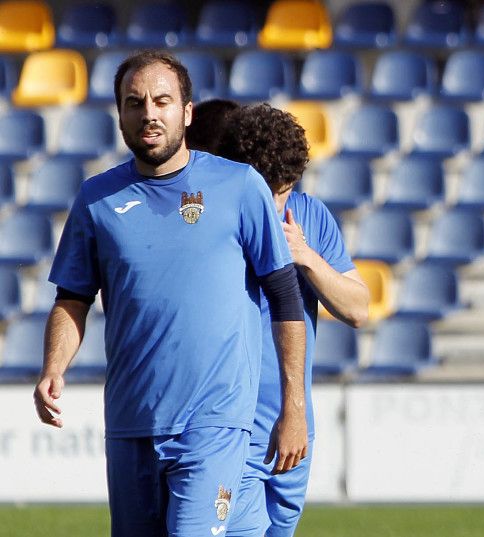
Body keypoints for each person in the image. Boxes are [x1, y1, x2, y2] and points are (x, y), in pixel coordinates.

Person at [31, 50, 309, 536]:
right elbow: (72, 298)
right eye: (134, 102)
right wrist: (53, 368)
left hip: (214, 424)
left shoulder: (239, 186)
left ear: (187, 111)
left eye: (162, 100)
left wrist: (294, 409)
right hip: (129, 422)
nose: (149, 113)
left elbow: (285, 298)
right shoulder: (97, 199)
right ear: (120, 114)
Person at [215, 104, 368, 537]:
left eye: (283, 191)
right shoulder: (216, 224)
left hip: (295, 427)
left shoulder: (311, 217)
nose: (275, 205)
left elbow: (357, 308)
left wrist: (305, 257)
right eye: (266, 193)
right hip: (232, 430)